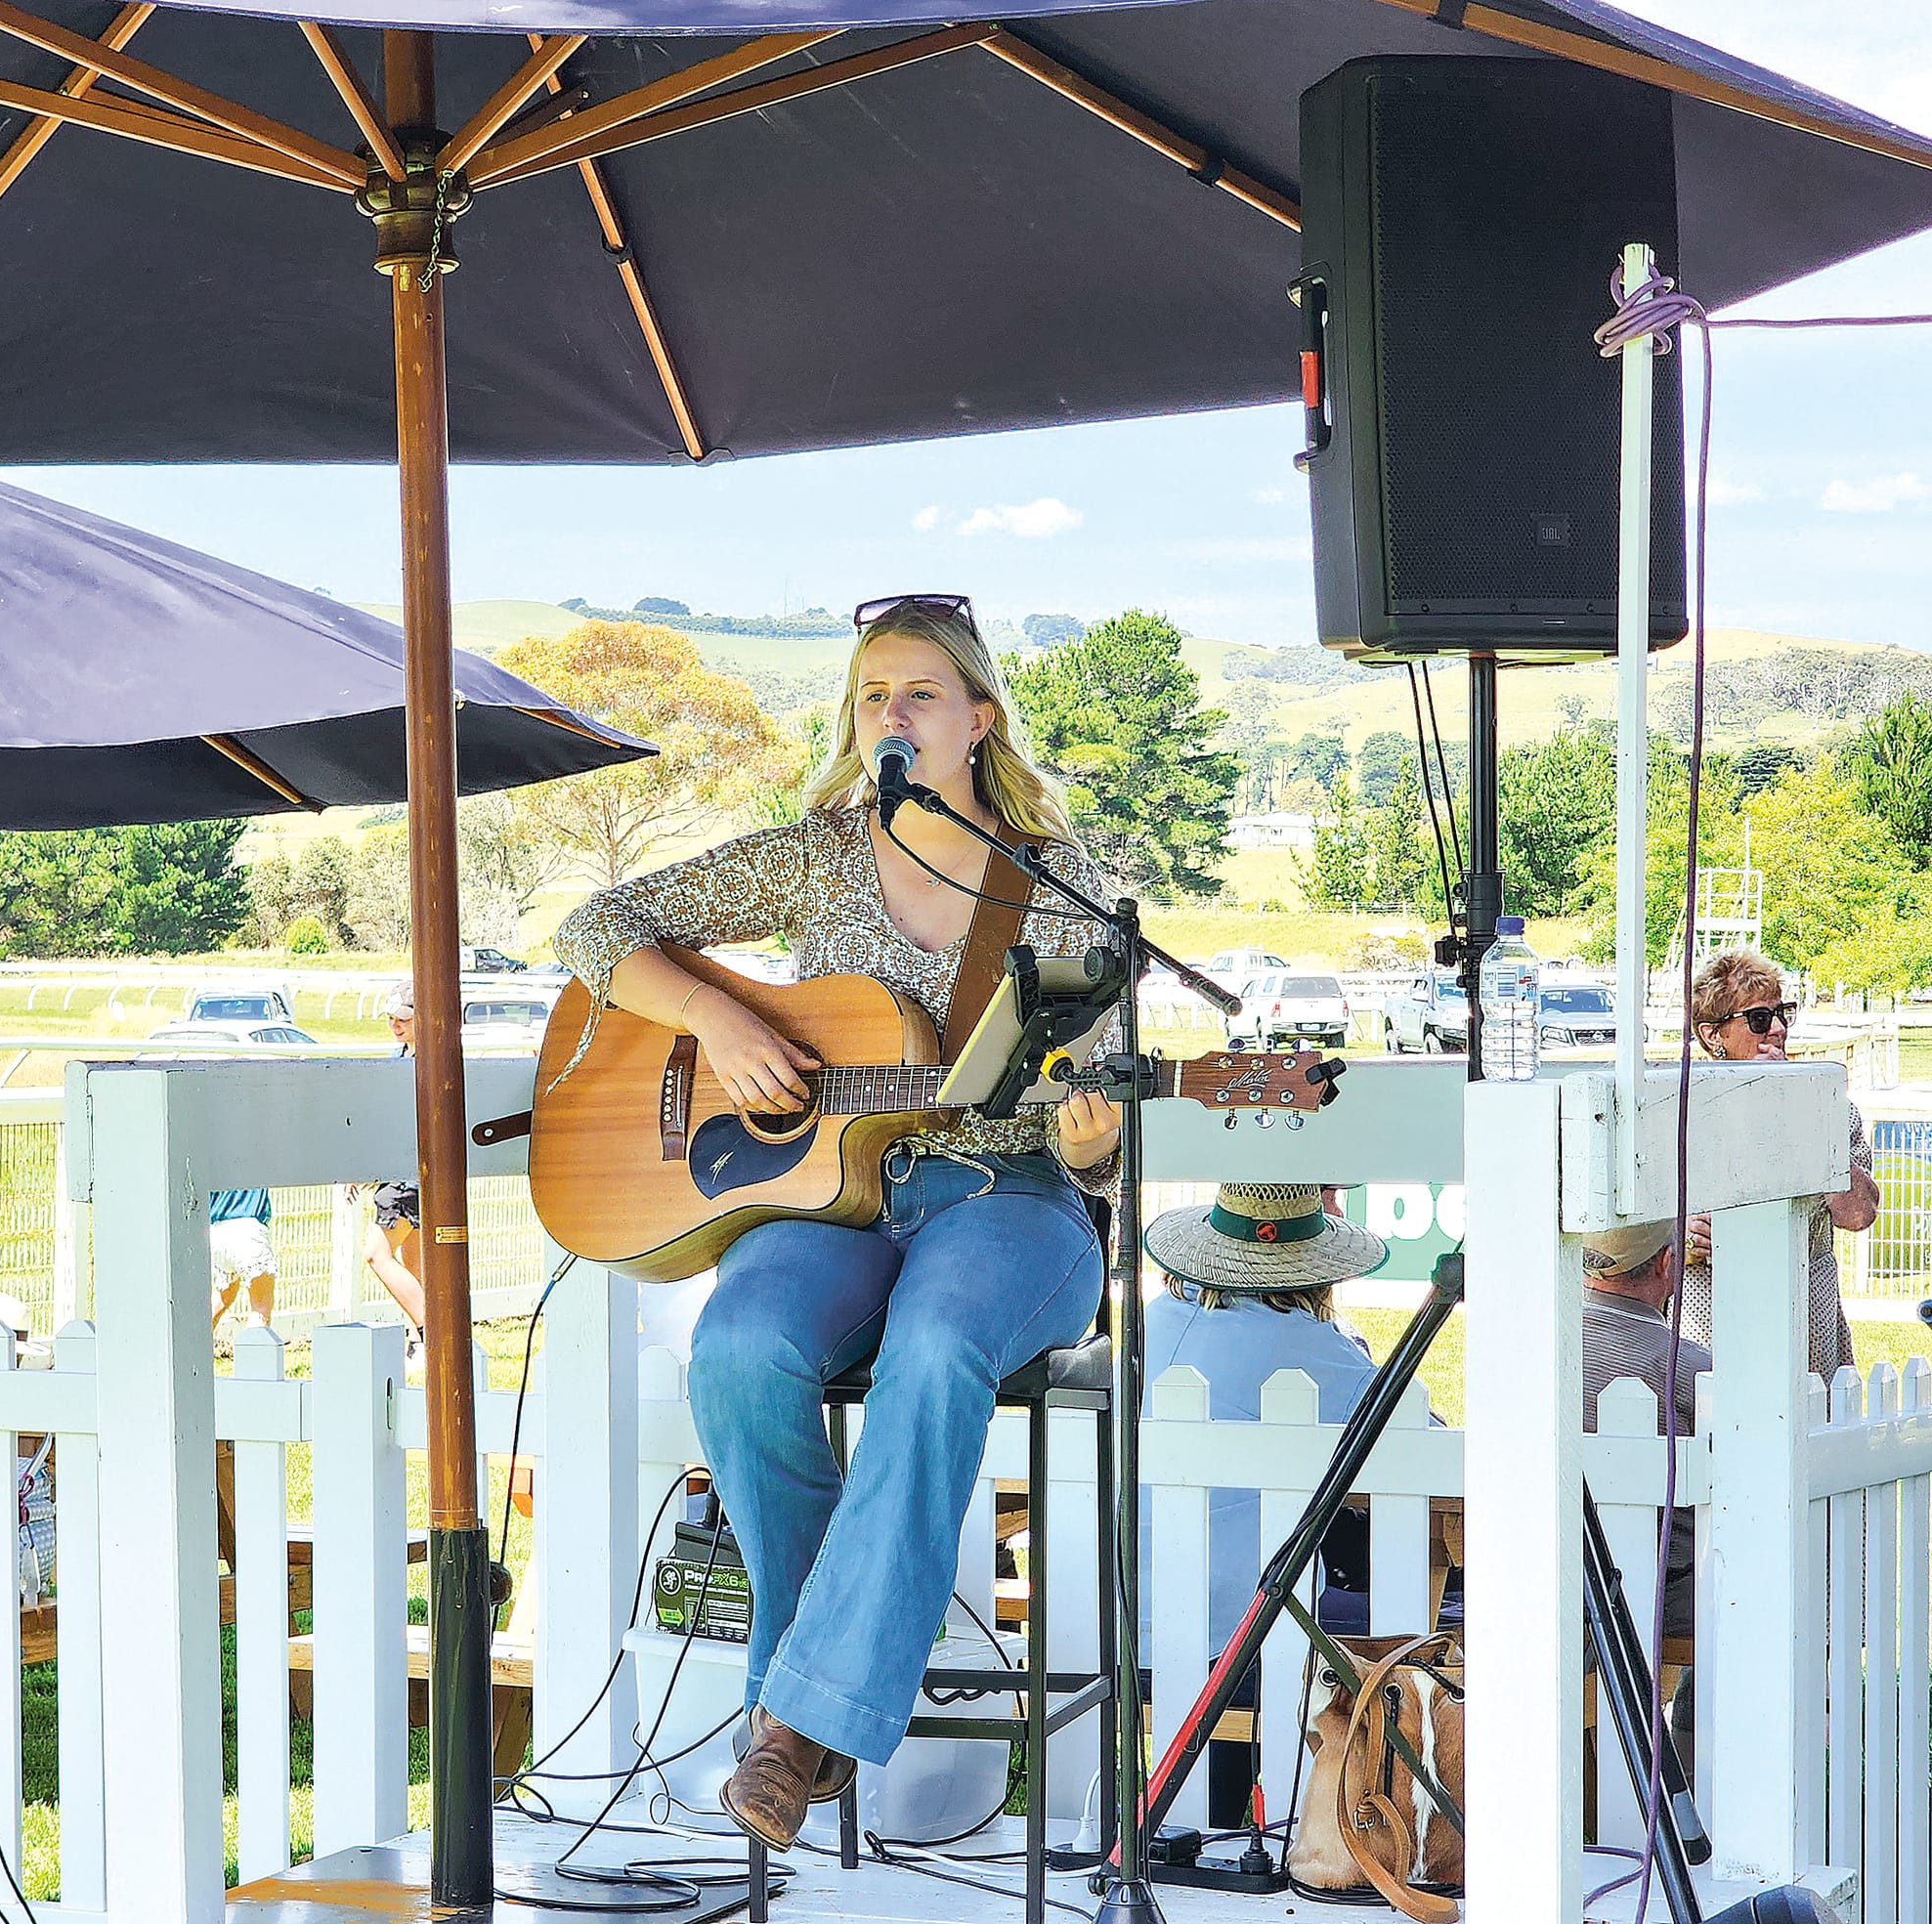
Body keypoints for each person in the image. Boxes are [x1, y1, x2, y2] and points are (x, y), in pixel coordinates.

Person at [554, 592, 1121, 1851]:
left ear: (978, 719)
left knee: (932, 1350)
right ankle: (827, 1682)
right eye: (872, 695)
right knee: (737, 1347)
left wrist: (1100, 1136)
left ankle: (790, 1725)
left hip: (1005, 1199)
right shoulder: (809, 854)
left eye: (920, 693)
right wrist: (719, 1021)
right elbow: (594, 927)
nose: (892, 715)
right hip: (828, 1195)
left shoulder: (1057, 882)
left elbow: (1109, 1080)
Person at [1138, 1181, 1390, 1826]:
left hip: (1121, 1629)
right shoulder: (1316, 1350)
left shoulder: (1148, 1322)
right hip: (1235, 1647)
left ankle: (1207, 1820)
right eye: (1328, 1196)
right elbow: (1429, 1451)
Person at [1684, 948, 1878, 1377]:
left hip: (1805, 1313)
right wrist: (1678, 1234)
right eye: (1758, 1019)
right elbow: (1627, 1235)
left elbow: (1860, 1213)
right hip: (1712, 1313)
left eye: (1782, 1014)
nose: (1776, 1029)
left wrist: (1801, 1115)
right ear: (1714, 1035)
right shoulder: (1682, 1109)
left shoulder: (1828, 1107)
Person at [1581, 1221, 1707, 1642]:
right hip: (1666, 1594)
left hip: (1550, 1573)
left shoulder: (1533, 1349)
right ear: (1668, 1263)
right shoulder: (1693, 1370)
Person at [341, 981, 427, 1360]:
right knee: (415, 1263)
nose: (395, 1025)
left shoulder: (431, 1064)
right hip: (400, 1174)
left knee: (376, 1254)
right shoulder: (397, 1060)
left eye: (403, 1018)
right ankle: (419, 1341)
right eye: (391, 1018)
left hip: (409, 1177)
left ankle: (433, 1329)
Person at [208, 1185, 277, 1333]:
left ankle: (193, 1349)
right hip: (248, 1228)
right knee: (261, 1306)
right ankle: (253, 1355)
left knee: (224, 1295)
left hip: (216, 1229)